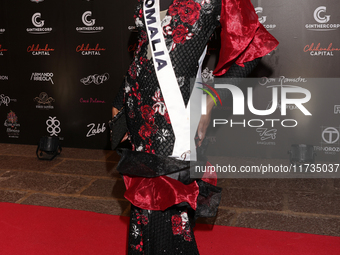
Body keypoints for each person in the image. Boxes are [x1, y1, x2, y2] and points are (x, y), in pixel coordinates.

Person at [111, 0, 278, 254]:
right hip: (138, 111)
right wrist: (119, 101)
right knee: (144, 207)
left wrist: (213, 98)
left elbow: (255, 45)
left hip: (174, 116)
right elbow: (144, 49)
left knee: (166, 204)